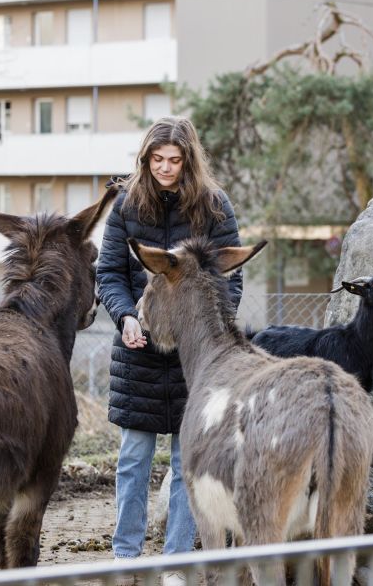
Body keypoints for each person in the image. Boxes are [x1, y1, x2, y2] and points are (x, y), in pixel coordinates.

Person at [96, 116, 243, 586]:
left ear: (189, 160)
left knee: (187, 464)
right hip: (137, 349)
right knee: (134, 460)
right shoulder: (125, 204)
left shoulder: (215, 207)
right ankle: (126, 557)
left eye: (174, 160)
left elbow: (230, 279)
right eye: (157, 159)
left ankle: (175, 563)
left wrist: (202, 330)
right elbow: (109, 274)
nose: (165, 168)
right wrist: (125, 317)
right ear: (145, 159)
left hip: (194, 360)